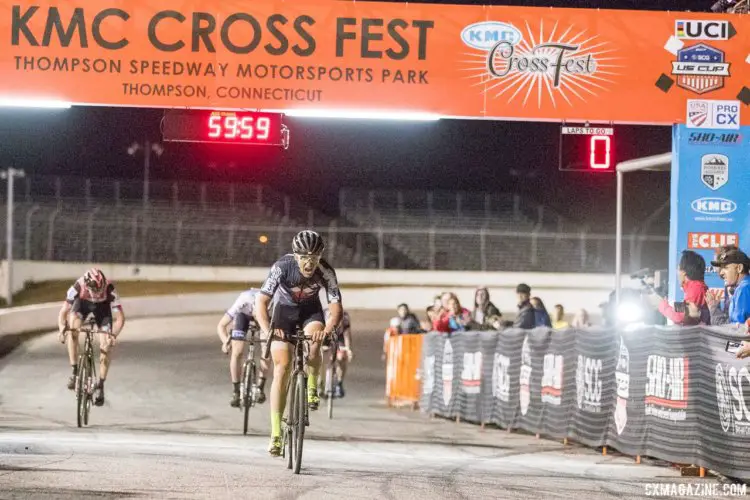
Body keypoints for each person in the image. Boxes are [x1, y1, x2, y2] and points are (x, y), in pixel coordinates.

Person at [254, 230, 342, 456]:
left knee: (315, 339)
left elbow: (335, 308)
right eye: (305, 258)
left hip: (310, 313)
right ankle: (275, 434)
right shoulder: (282, 267)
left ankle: (312, 387)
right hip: (283, 313)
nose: (309, 263)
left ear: (320, 256)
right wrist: (268, 331)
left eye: (314, 258)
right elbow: (261, 302)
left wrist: (328, 331)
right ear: (296, 256)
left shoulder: (326, 271)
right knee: (282, 367)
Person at [57, 268, 126, 406]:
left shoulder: (109, 288)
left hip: (103, 310)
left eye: (100, 290)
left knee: (106, 345)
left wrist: (113, 335)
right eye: (95, 290)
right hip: (82, 305)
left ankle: (100, 385)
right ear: (87, 285)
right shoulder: (78, 286)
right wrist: (61, 329)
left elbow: (120, 318)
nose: (98, 293)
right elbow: (63, 312)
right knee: (73, 330)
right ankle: (75, 371)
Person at [216, 288, 271, 408]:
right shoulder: (243, 301)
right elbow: (221, 325)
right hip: (243, 316)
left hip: (266, 316)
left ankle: (260, 387)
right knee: (237, 351)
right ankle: (236, 391)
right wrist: (225, 342)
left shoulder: (270, 306)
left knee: (267, 349)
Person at [649, 250, 710, 326]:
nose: (677, 273)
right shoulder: (695, 287)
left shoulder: (695, 288)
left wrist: (661, 304)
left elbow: (681, 318)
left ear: (684, 272)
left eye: (678, 269)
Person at [321, 307, 353, 398]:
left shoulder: (345, 318)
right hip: (325, 334)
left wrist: (348, 349)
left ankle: (339, 383)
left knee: (342, 357)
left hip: (339, 337)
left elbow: (347, 335)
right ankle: (320, 382)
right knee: (320, 356)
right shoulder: (324, 316)